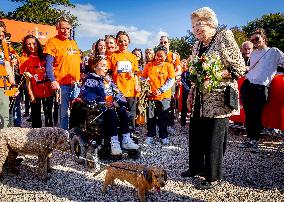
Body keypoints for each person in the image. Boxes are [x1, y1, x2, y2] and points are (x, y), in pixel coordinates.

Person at [180, 7, 246, 189]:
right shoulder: (196, 45)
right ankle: (195, 167)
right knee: (196, 134)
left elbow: (239, 68)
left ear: (210, 24)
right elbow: (195, 71)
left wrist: (214, 73)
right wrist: (193, 87)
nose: (196, 29)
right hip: (199, 99)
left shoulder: (224, 37)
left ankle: (212, 177)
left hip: (218, 99)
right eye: (193, 26)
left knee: (214, 138)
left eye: (199, 25)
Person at [79, 56, 139, 155]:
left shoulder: (108, 80)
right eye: (103, 65)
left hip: (111, 105)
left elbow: (117, 92)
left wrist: (117, 100)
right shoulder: (90, 79)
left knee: (122, 111)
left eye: (106, 66)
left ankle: (126, 139)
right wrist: (101, 101)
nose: (106, 68)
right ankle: (114, 142)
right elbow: (86, 93)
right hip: (98, 108)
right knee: (110, 112)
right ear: (95, 67)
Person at [239, 28, 284, 152]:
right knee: (248, 114)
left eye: (257, 38)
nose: (254, 41)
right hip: (247, 84)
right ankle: (250, 140)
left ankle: (255, 141)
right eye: (252, 40)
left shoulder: (274, 51)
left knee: (256, 114)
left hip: (261, 86)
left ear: (264, 38)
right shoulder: (253, 53)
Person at [44, 17, 81, 130]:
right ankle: (63, 136)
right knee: (63, 114)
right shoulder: (52, 42)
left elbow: (76, 62)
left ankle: (74, 135)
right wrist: (52, 80)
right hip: (61, 84)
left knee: (76, 112)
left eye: (68, 29)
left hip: (76, 84)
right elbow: (48, 64)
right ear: (57, 28)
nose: (66, 31)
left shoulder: (73, 42)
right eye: (63, 28)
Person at [108, 31, 140, 132]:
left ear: (129, 41)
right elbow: (107, 74)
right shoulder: (112, 56)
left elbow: (135, 74)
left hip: (130, 89)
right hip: (118, 90)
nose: (123, 43)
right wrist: (115, 71)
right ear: (117, 42)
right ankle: (121, 133)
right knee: (119, 112)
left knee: (132, 112)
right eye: (120, 41)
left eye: (125, 41)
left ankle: (131, 133)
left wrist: (137, 84)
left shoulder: (133, 57)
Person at [142, 46, 175, 145]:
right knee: (151, 117)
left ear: (165, 56)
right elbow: (143, 78)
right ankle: (150, 135)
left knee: (163, 118)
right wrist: (145, 87)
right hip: (151, 96)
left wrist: (160, 90)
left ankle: (163, 136)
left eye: (161, 56)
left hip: (164, 97)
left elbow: (171, 81)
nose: (158, 58)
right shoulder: (149, 65)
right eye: (157, 55)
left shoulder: (169, 66)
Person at [21, 35, 53, 128]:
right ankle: (35, 140)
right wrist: (31, 95)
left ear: (38, 44)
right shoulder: (25, 60)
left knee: (48, 119)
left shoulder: (45, 57)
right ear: (25, 46)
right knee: (36, 120)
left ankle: (49, 139)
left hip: (48, 92)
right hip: (35, 93)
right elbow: (28, 81)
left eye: (34, 43)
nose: (31, 46)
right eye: (28, 44)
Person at [159, 36, 182, 134]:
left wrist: (169, 77)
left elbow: (179, 71)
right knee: (159, 104)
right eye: (161, 43)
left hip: (170, 84)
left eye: (165, 42)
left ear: (169, 43)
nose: (163, 44)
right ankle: (160, 125)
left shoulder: (173, 56)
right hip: (159, 83)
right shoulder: (158, 55)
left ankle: (170, 125)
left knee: (171, 105)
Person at [0, 20, 17, 128]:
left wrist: (13, 85)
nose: (1, 35)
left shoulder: (4, 47)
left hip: (3, 85)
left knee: (4, 117)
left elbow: (8, 67)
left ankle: (3, 143)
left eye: (2, 32)